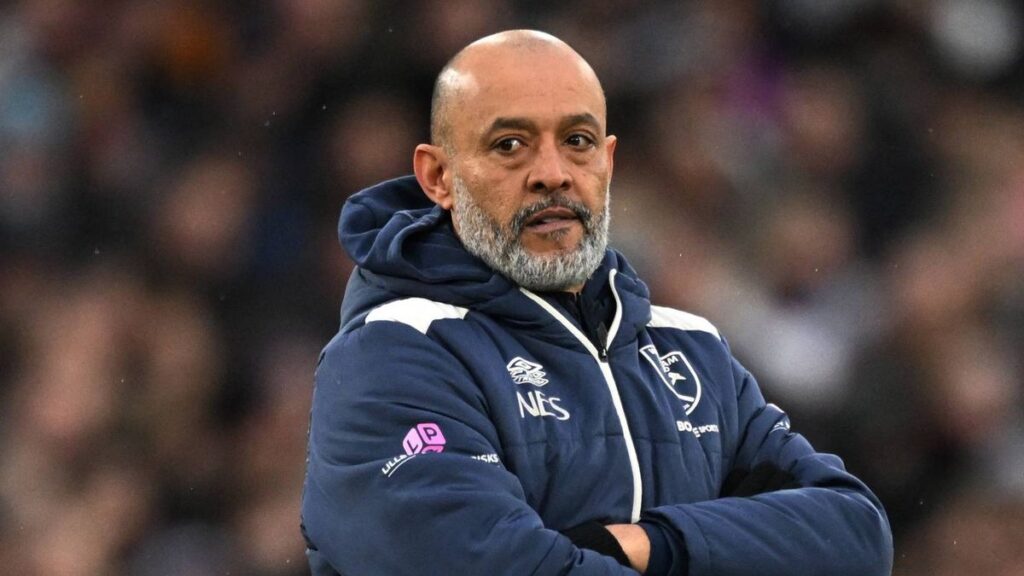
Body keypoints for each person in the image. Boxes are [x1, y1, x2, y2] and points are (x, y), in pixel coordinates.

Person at [300, 30, 893, 576]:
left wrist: (648, 544)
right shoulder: (391, 354)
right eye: (511, 145)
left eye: (577, 141)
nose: (552, 174)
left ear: (608, 161)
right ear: (439, 178)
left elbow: (856, 537)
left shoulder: (690, 347)